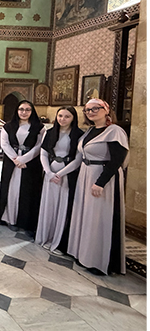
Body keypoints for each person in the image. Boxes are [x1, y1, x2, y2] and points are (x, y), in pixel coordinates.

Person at [68, 99, 129, 275]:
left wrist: (100, 182)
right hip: (86, 174)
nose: (91, 112)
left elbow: (117, 160)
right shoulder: (90, 131)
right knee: (86, 214)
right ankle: (83, 253)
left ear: (106, 110)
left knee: (98, 217)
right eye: (87, 110)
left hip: (102, 178)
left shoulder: (114, 131)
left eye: (95, 108)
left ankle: (98, 260)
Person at [35, 106, 84, 255]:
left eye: (67, 116)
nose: (63, 119)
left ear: (73, 118)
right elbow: (43, 154)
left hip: (67, 175)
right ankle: (45, 236)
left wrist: (60, 174)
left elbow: (78, 159)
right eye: (60, 116)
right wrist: (49, 172)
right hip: (50, 174)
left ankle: (57, 240)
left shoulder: (79, 135)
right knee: (48, 205)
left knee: (62, 207)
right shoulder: (50, 132)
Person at [0, 101, 45, 235]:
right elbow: (4, 144)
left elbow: (39, 145)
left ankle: (25, 222)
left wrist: (24, 159)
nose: (24, 112)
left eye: (27, 110)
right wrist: (16, 159)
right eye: (21, 109)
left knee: (28, 192)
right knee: (11, 190)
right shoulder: (8, 126)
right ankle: (10, 218)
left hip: (30, 164)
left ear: (32, 111)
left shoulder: (39, 127)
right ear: (17, 111)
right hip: (12, 163)